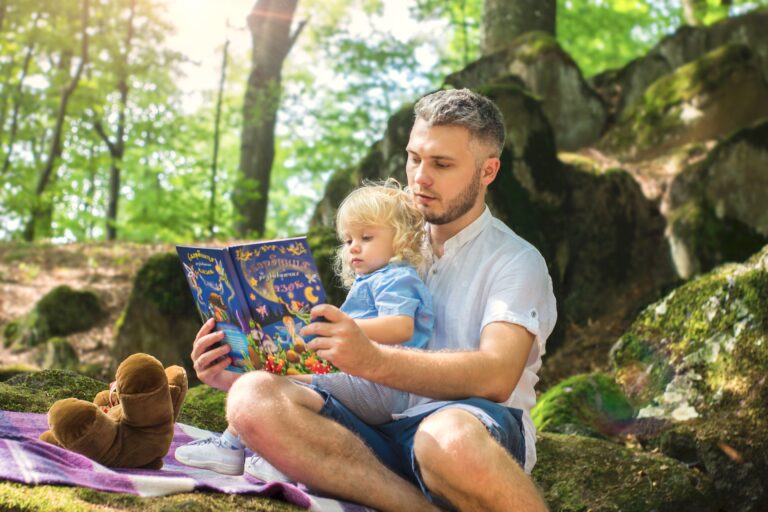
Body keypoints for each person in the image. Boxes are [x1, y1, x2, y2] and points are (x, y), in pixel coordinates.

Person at [191, 88, 555, 511]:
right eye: (415, 157)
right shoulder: (386, 240)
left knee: (448, 438)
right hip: (371, 426)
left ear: (488, 171)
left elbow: (496, 375)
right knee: (251, 397)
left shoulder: (515, 261)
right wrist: (238, 364)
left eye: (442, 163)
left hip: (468, 430)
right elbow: (340, 363)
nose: (421, 177)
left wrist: (369, 357)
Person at [175, 182, 434, 478]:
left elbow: (401, 326)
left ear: (403, 239)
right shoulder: (374, 279)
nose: (354, 247)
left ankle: (244, 450)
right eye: (348, 240)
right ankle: (245, 447)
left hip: (381, 387)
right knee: (274, 379)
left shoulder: (398, 277)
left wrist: (343, 327)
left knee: (283, 383)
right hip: (361, 380)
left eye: (366, 237)